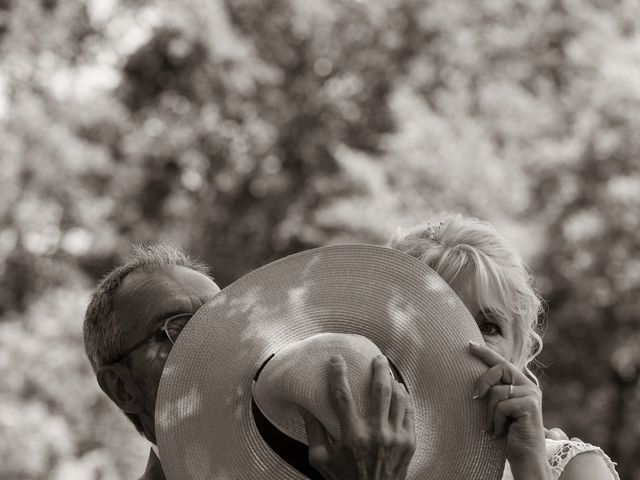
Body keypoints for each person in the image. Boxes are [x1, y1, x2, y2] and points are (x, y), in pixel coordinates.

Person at [82, 244, 415, 480]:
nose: (213, 340)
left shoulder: (335, 462)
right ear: (121, 387)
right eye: (178, 328)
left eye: (223, 321)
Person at [387, 214, 620, 480]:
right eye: (441, 321)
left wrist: (530, 465)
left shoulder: (575, 469)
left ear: (516, 352)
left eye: (488, 327)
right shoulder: (352, 459)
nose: (465, 341)